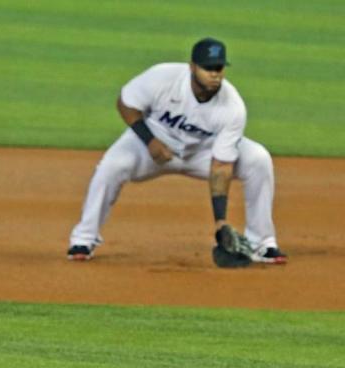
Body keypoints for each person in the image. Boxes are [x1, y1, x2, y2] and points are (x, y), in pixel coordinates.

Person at [66, 38, 287, 264]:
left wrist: (220, 221)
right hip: (151, 143)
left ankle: (262, 243)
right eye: (208, 68)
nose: (214, 74)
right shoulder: (163, 77)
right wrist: (150, 141)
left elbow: (221, 165)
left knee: (258, 159)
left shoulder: (232, 106)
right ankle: (84, 239)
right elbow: (126, 104)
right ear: (192, 67)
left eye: (218, 68)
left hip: (203, 153)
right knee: (112, 166)